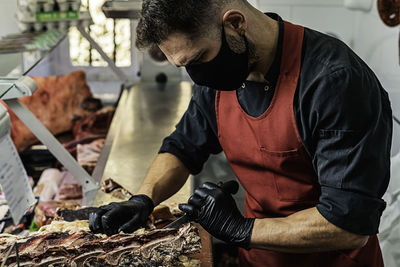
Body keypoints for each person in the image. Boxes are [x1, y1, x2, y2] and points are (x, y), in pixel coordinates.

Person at [89, 0, 393, 266]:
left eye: (197, 59)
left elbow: (348, 225)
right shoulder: (221, 74)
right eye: (185, 66)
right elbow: (183, 148)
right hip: (259, 257)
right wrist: (144, 199)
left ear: (235, 23)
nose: (196, 75)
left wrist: (240, 229)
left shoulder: (334, 82)